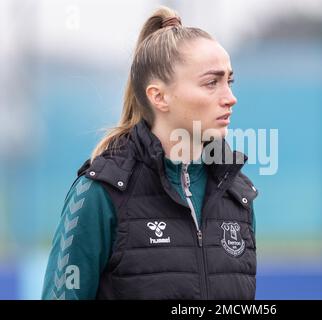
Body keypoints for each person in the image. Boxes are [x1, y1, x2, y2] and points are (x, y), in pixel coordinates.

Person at [41, 6, 258, 300]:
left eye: (229, 81)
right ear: (159, 96)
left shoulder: (237, 194)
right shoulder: (99, 193)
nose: (230, 98)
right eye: (212, 83)